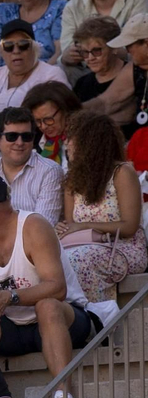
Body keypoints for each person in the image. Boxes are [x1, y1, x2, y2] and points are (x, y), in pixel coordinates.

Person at [59, 110, 146, 302]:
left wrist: (83, 226)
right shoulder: (72, 180)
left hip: (124, 248)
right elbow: (71, 226)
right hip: (83, 246)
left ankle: (98, 319)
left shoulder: (122, 172)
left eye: (72, 138)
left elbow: (130, 227)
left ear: (90, 142)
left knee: (78, 260)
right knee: (51, 261)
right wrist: (63, 229)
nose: (67, 143)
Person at [0, 19, 68, 123]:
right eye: (8, 46)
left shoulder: (51, 75)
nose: (16, 51)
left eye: (23, 45)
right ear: (1, 52)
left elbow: (58, 117)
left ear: (33, 48)